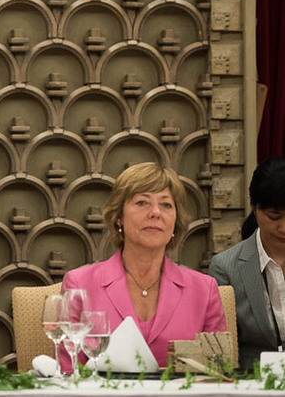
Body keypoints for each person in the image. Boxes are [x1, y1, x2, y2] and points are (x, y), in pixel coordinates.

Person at [60, 162, 226, 370]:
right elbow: (68, 371)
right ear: (118, 217)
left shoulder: (205, 289)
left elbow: (217, 373)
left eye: (166, 205)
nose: (155, 212)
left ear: (175, 220)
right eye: (141, 203)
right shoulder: (79, 284)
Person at [210, 156, 285, 369]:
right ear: (253, 204)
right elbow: (221, 348)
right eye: (274, 217)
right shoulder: (225, 267)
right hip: (252, 381)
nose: (283, 228)